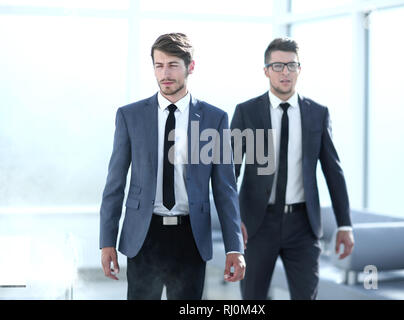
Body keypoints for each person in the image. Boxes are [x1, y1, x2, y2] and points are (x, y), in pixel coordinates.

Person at [99, 33, 245, 300]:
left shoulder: (215, 119)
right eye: (159, 65)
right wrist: (106, 241)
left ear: (191, 66)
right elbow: (115, 184)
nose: (165, 73)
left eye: (173, 65)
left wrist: (234, 247)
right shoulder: (130, 116)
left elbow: (226, 190)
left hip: (191, 237)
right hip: (144, 235)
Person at [230, 37, 354, 300]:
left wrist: (345, 224)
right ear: (266, 71)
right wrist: (232, 219)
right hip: (256, 224)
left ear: (300, 69)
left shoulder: (317, 114)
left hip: (303, 225)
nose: (285, 72)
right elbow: (230, 171)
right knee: (253, 298)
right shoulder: (247, 112)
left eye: (291, 65)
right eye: (277, 66)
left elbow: (334, 171)